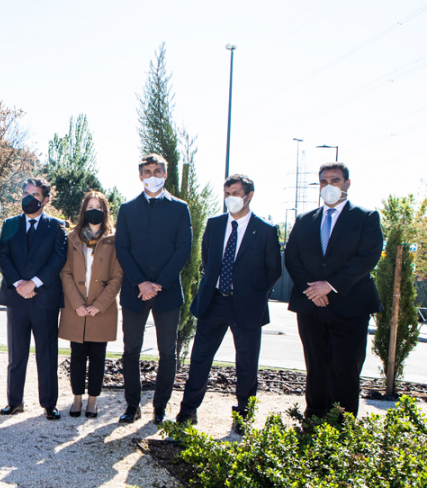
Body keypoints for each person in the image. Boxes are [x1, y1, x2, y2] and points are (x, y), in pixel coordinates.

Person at [175, 175, 281, 425]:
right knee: (200, 359)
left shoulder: (265, 230)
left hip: (247, 306)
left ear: (249, 195)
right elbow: (207, 260)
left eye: (235, 193)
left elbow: (273, 270)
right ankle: (188, 411)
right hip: (214, 302)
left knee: (246, 363)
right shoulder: (214, 224)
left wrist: (252, 293)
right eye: (227, 193)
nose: (230, 198)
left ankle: (244, 415)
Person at [284, 162, 382, 419]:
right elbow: (292, 257)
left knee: (345, 369)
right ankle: (314, 418)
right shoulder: (304, 220)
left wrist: (329, 285)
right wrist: (313, 290)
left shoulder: (366, 217)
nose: (329, 186)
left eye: (335, 181)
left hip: (350, 306)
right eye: (324, 182)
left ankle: (341, 424)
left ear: (347, 184)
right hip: (310, 307)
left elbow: (367, 257)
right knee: (316, 366)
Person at [115, 154, 192, 425]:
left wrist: (159, 284)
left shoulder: (180, 208)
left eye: (157, 171)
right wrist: (141, 283)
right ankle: (132, 406)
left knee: (167, 352)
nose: (152, 175)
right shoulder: (127, 209)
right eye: (147, 171)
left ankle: (160, 407)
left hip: (167, 293)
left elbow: (183, 249)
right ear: (140, 176)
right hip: (135, 292)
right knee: (131, 350)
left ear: (165, 174)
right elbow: (122, 249)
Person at [0, 178, 68, 420]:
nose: (29, 198)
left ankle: (49, 404)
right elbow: (3, 256)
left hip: (44, 299)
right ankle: (14, 402)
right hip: (17, 298)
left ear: (45, 200)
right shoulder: (9, 224)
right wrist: (19, 284)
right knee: (16, 354)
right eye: (25, 193)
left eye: (35, 194)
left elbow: (58, 259)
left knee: (47, 355)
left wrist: (34, 283)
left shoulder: (58, 227)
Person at [59, 192, 123, 418]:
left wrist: (100, 305)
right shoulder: (71, 237)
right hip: (76, 308)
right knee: (76, 356)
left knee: (98, 357)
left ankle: (93, 401)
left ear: (105, 211)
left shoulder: (114, 239)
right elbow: (65, 272)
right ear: (83, 211)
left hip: (101, 310)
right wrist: (77, 303)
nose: (93, 211)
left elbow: (117, 276)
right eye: (89, 207)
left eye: (98, 206)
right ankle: (76, 399)